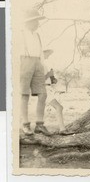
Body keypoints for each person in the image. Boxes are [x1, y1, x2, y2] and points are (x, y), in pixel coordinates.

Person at [19, 8, 51, 136]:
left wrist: (45, 69)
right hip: (24, 62)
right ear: (28, 22)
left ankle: (39, 124)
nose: (37, 24)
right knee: (24, 94)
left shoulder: (37, 35)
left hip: (38, 63)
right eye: (35, 21)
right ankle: (25, 124)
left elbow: (41, 54)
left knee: (43, 94)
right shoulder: (20, 34)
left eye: (37, 21)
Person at [43, 49, 74, 135]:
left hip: (48, 88)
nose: (48, 56)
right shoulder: (39, 65)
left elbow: (48, 79)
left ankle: (61, 129)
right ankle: (62, 129)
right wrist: (49, 75)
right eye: (47, 54)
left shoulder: (43, 65)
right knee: (59, 107)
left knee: (55, 108)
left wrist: (53, 79)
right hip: (43, 89)